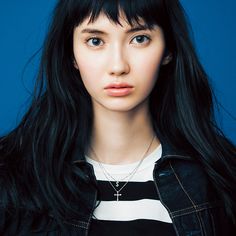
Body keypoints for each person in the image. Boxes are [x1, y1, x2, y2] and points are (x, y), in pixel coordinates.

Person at [0, 0, 235, 235]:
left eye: (139, 38)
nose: (118, 66)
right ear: (71, 54)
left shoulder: (221, 177)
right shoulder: (13, 177)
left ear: (168, 49)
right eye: (95, 41)